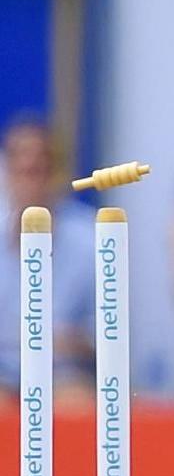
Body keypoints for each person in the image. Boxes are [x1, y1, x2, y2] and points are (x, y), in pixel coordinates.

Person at [2, 116, 95, 396]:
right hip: (3, 373)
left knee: (77, 405)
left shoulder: (91, 240)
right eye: (22, 171)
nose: (30, 182)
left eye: (38, 171)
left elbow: (106, 336)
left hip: (65, 374)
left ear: (57, 174)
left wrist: (49, 340)